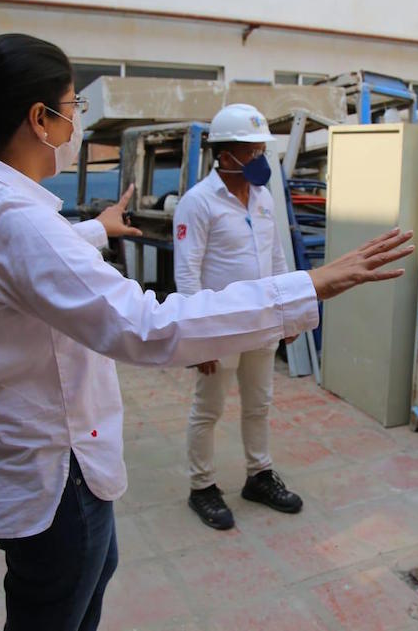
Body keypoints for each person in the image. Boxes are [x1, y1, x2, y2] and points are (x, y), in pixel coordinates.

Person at [0, 32, 413, 631]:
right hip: (50, 471)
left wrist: (96, 230)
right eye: (74, 108)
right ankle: (205, 484)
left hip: (64, 438)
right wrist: (311, 286)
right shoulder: (12, 217)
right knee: (60, 601)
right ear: (40, 119)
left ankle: (257, 471)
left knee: (91, 576)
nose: (77, 124)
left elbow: (26, 265)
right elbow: (147, 322)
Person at [174, 104, 302, 530]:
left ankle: (259, 476)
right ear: (225, 154)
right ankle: (202, 486)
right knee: (208, 409)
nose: (259, 159)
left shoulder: (264, 197)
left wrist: (289, 314)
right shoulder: (198, 203)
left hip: (263, 320)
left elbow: (278, 256)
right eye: (251, 151)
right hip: (221, 327)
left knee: (259, 404)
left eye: (261, 149)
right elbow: (187, 272)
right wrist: (198, 337)